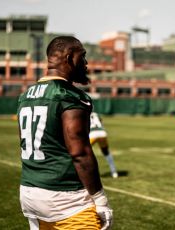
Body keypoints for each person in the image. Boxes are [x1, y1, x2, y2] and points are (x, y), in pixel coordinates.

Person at [17, 36, 112, 230]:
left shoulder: (26, 95)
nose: (86, 63)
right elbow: (80, 153)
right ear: (69, 58)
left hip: (29, 191)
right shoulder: (69, 95)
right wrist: (100, 199)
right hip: (64, 198)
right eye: (82, 57)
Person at [90, 111, 119, 178]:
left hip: (92, 134)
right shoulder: (96, 114)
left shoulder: (83, 113)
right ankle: (114, 172)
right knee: (106, 152)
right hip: (102, 133)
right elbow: (101, 123)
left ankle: (86, 173)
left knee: (83, 153)